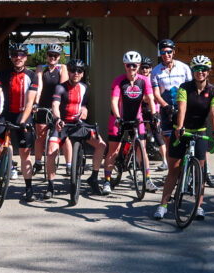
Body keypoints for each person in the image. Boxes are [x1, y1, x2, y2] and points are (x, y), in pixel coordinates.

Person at [154, 55, 214, 220]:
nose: (200, 72)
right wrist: (180, 126)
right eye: (197, 69)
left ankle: (198, 206)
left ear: (208, 71)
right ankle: (163, 205)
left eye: (203, 69)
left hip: (200, 131)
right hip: (182, 130)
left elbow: (213, 113)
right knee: (174, 170)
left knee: (201, 172)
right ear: (192, 71)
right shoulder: (185, 87)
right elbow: (181, 108)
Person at [101, 50, 158, 195]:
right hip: (118, 117)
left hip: (136, 118)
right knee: (113, 150)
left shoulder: (144, 80)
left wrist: (155, 114)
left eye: (134, 65)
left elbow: (151, 99)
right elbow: (114, 101)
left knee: (142, 149)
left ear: (138, 66)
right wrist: (118, 117)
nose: (131, 68)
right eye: (128, 65)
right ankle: (107, 181)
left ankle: (147, 179)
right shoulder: (119, 81)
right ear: (125, 65)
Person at [0, 43, 38, 202]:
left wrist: (23, 121)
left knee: (25, 154)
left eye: (21, 54)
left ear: (26, 57)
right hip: (6, 114)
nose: (18, 57)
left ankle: (29, 188)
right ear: (11, 57)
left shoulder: (32, 75)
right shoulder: (3, 74)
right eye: (15, 55)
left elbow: (30, 102)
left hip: (24, 115)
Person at [50, 59, 107, 197]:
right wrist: (57, 119)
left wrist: (84, 109)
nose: (76, 73)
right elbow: (55, 105)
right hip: (62, 124)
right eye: (73, 70)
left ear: (82, 74)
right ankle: (50, 186)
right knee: (51, 151)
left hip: (78, 124)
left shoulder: (85, 88)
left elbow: (83, 104)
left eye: (79, 71)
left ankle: (93, 177)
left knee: (101, 145)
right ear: (68, 72)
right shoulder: (60, 87)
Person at [150, 39, 192, 174]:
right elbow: (156, 93)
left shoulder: (184, 67)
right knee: (168, 142)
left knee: (188, 138)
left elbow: (190, 89)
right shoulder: (156, 71)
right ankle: (172, 172)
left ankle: (200, 171)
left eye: (169, 51)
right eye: (163, 52)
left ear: (173, 52)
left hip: (183, 108)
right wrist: (165, 106)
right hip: (166, 109)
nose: (166, 54)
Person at [33, 44, 69, 174]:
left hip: (57, 105)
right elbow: (39, 87)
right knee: (40, 136)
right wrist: (36, 103)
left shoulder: (62, 68)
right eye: (50, 55)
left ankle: (69, 164)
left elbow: (62, 87)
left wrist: (59, 105)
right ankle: (37, 163)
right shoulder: (41, 68)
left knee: (63, 136)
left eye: (55, 55)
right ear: (47, 56)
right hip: (43, 104)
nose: (52, 57)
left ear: (59, 57)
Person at [139, 57, 167, 172]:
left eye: (147, 67)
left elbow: (157, 94)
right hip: (141, 109)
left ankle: (165, 161)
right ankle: (139, 161)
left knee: (157, 134)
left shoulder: (154, 79)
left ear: (151, 68)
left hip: (153, 109)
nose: (144, 69)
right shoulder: (138, 79)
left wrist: (147, 98)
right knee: (141, 135)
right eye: (143, 67)